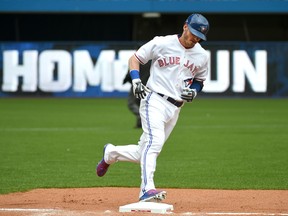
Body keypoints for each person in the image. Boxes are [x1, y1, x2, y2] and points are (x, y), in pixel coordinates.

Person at [96, 13, 210, 202]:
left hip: (175, 108)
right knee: (154, 143)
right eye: (194, 33)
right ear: (185, 27)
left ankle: (111, 153)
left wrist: (194, 91)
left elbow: (199, 80)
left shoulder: (202, 55)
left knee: (145, 151)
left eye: (200, 36)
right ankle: (146, 189)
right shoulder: (162, 43)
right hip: (154, 99)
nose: (196, 38)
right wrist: (135, 81)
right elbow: (135, 58)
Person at [122, 61, 151, 128]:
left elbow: (131, 71)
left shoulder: (137, 58)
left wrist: (125, 79)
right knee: (142, 104)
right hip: (148, 86)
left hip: (137, 85)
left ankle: (140, 117)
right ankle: (140, 123)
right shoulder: (152, 59)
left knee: (131, 103)